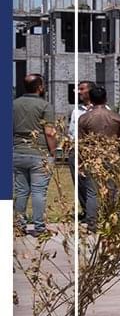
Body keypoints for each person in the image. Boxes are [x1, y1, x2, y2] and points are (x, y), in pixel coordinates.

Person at [12, 74, 59, 233]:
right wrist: (53, 153)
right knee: (39, 192)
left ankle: (18, 225)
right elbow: (49, 133)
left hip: (18, 152)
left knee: (21, 191)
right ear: (39, 87)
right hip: (39, 153)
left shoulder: (14, 104)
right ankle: (39, 227)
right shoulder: (45, 106)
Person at [76, 82, 120, 224]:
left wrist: (80, 162)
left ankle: (92, 221)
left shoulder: (84, 118)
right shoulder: (117, 118)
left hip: (92, 157)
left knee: (92, 191)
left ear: (91, 100)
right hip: (112, 156)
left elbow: (81, 142)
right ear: (106, 99)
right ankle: (113, 220)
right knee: (113, 189)